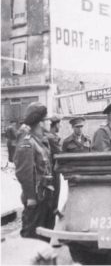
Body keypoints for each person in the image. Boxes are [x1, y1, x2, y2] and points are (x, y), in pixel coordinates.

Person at [14, 102, 55, 240]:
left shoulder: (41, 141)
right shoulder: (27, 142)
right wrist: (31, 197)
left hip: (45, 196)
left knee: (45, 237)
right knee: (31, 237)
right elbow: (23, 173)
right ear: (40, 123)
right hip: (36, 199)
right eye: (47, 120)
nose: (50, 122)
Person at [44, 115, 62, 216]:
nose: (60, 127)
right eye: (60, 125)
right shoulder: (52, 137)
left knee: (52, 191)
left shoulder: (49, 136)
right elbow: (59, 153)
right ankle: (53, 210)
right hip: (53, 168)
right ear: (56, 125)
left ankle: (53, 210)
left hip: (50, 167)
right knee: (55, 190)